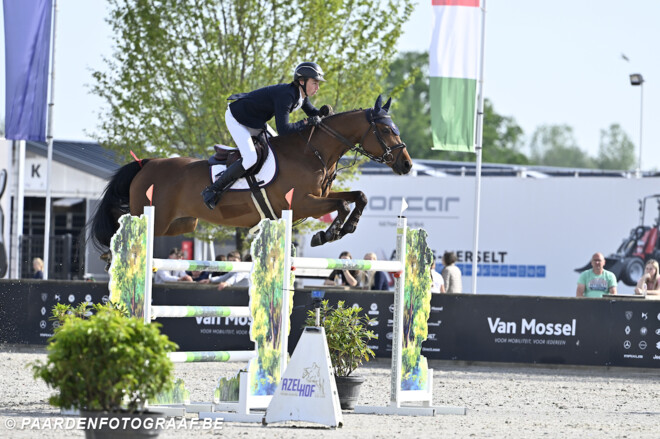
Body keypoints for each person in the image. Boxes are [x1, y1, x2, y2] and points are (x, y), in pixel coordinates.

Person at [202, 62, 329, 210]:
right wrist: (307, 122)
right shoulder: (287, 96)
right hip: (237, 118)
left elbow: (313, 113)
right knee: (251, 158)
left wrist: (325, 113)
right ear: (302, 81)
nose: (317, 88)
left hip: (255, 120)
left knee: (280, 149)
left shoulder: (301, 95)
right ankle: (213, 190)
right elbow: (284, 130)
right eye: (314, 83)